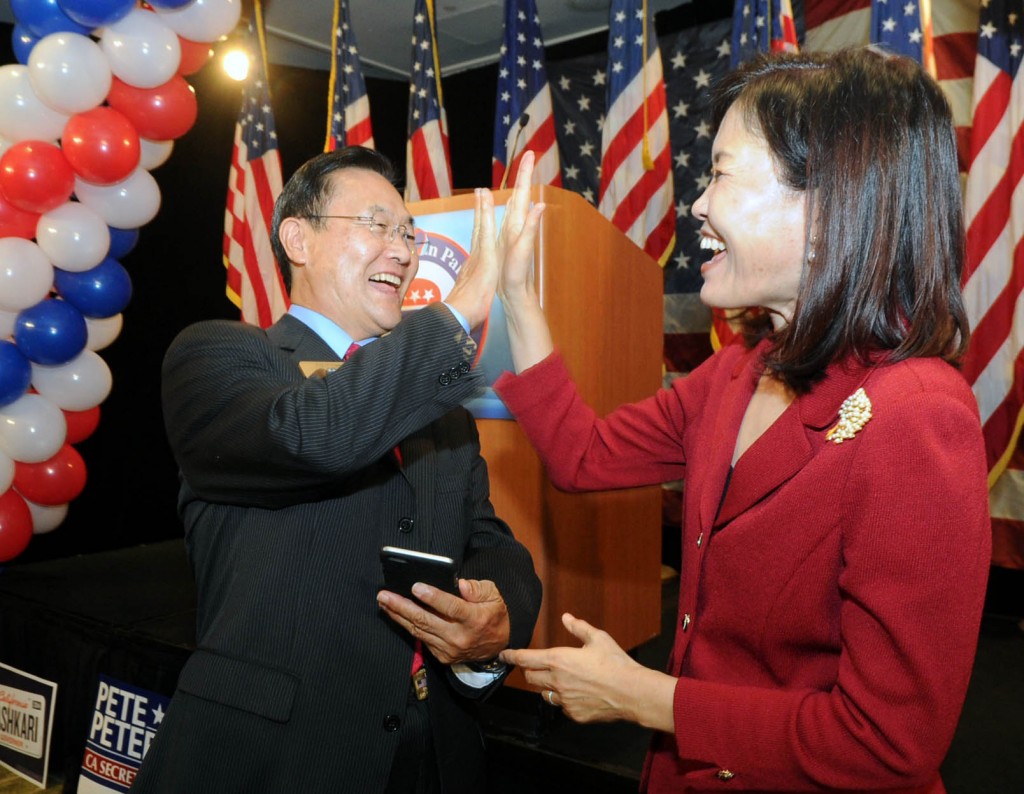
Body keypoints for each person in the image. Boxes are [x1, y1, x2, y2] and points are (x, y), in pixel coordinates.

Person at [494, 47, 992, 793]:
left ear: (829, 202)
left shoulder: (917, 418)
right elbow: (582, 456)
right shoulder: (737, 372)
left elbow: (890, 743)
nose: (696, 203)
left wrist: (641, 697)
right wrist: (518, 297)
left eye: (721, 173)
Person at [131, 146, 542, 794]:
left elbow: (488, 542)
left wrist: (499, 619)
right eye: (377, 225)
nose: (404, 252)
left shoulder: (442, 409)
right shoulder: (219, 358)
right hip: (273, 763)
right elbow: (314, 435)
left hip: (435, 758)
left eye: (409, 233)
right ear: (298, 237)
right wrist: (459, 311)